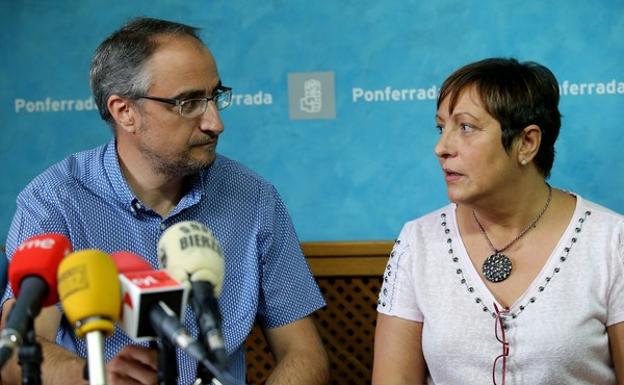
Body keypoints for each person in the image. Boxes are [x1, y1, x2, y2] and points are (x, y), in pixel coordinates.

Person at [0, 17, 329, 385]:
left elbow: (303, 353)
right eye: (189, 102)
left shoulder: (253, 197)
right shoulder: (55, 201)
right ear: (125, 112)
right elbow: (17, 356)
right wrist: (96, 376)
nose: (215, 122)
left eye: (215, 96)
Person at [372, 58, 624, 384]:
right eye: (441, 127)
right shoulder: (418, 241)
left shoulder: (611, 241)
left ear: (527, 143)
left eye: (465, 127)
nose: (441, 147)